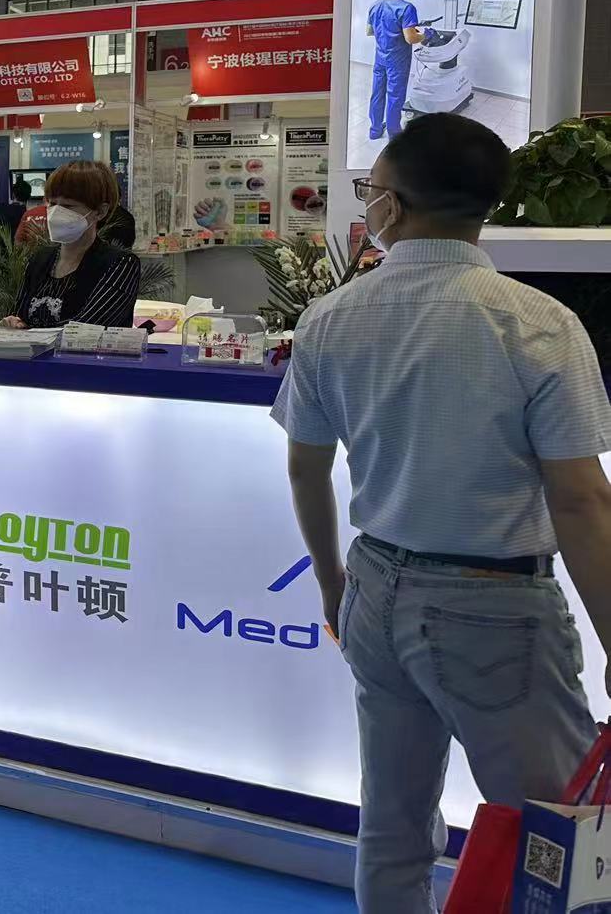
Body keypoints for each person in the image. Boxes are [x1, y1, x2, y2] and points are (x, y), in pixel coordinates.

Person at [272, 114, 611, 911]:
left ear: (392, 205)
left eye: (371, 190)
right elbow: (579, 497)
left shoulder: (332, 316)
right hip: (494, 606)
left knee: (393, 829)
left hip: (375, 588)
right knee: (553, 838)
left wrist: (333, 585)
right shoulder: (538, 322)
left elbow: (305, 466)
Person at [3, 161, 139, 330]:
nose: (56, 213)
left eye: (68, 206)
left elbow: (85, 328)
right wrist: (12, 323)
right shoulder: (39, 259)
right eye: (52, 204)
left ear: (100, 211)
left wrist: (30, 331)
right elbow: (19, 314)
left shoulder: (119, 264)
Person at [367, 0, 423, 144]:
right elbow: (410, 38)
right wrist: (425, 35)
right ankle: (394, 134)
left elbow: (369, 31)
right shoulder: (406, 8)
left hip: (380, 58)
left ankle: (375, 130)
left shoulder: (375, 5)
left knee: (377, 93)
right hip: (397, 60)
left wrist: (387, 33)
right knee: (395, 96)